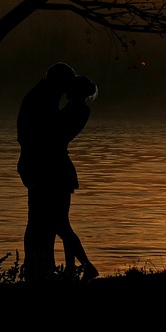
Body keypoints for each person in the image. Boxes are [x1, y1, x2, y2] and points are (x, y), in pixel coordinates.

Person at [17, 62, 76, 282]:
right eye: (63, 87)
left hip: (39, 166)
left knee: (42, 219)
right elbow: (46, 135)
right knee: (42, 220)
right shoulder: (41, 100)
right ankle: (38, 268)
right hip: (42, 167)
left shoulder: (41, 97)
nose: (64, 92)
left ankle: (40, 267)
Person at [50, 74, 99, 280]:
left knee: (59, 224)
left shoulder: (78, 110)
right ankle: (71, 267)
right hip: (61, 168)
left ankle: (86, 265)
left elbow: (56, 131)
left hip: (58, 169)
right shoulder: (80, 109)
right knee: (62, 222)